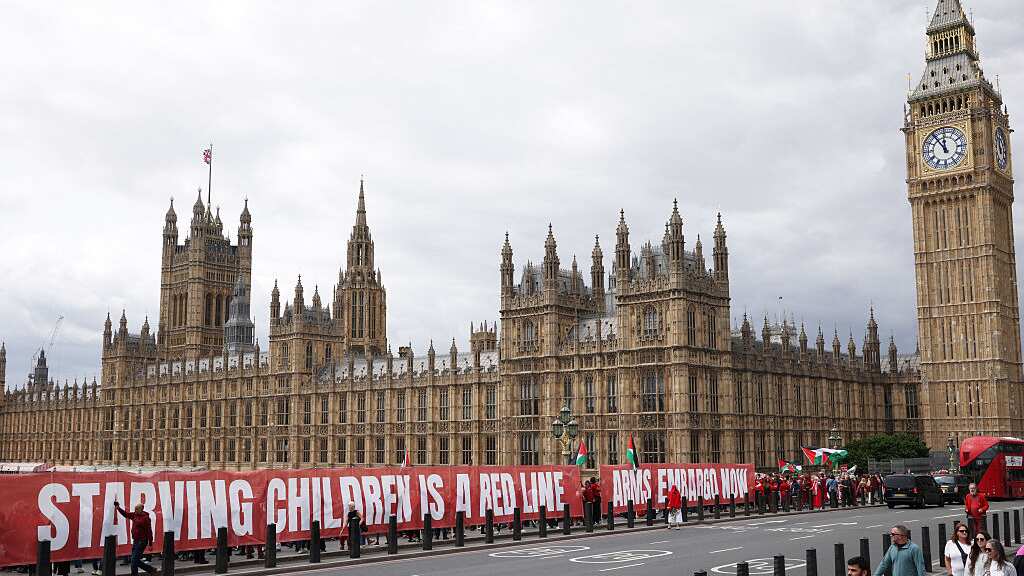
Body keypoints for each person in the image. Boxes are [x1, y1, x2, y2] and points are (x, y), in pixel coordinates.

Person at [113, 501, 158, 576]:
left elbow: (149, 531)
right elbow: (126, 514)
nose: (135, 510)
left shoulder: (145, 518)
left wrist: (150, 543)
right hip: (136, 540)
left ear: (141, 509)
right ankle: (151, 570)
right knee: (134, 560)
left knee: (134, 560)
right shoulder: (134, 515)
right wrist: (118, 508)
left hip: (142, 541)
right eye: (135, 509)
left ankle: (137, 573)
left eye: (137, 509)